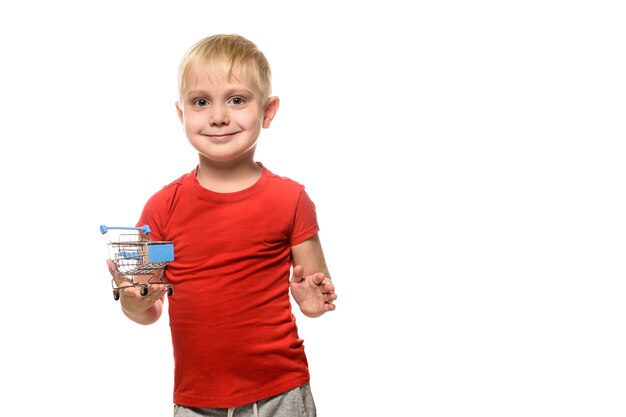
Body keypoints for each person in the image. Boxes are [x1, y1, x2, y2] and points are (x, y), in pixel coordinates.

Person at [106, 34, 337, 417]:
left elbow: (316, 290)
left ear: (268, 110)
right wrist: (133, 300)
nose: (218, 116)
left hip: (281, 393)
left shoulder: (291, 199)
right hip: (197, 402)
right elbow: (146, 309)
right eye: (201, 102)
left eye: (237, 100)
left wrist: (312, 302)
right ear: (182, 114)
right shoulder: (162, 207)